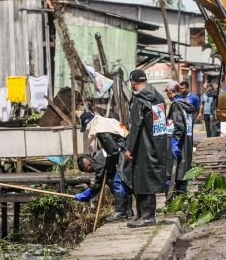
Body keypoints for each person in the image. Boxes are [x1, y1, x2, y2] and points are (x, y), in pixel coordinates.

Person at [123, 69, 168, 228]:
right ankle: (141, 215)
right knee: (145, 178)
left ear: (133, 82)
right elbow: (161, 126)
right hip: (156, 143)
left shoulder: (138, 100)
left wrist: (129, 149)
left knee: (142, 180)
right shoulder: (159, 97)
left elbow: (135, 125)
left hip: (142, 145)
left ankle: (147, 217)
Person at [78, 111, 132, 220]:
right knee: (126, 182)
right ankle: (127, 211)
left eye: (87, 128)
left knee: (117, 181)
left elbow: (114, 151)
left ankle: (120, 213)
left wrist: (108, 166)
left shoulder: (100, 130)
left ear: (89, 123)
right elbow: (126, 132)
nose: (88, 131)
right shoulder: (109, 121)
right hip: (129, 148)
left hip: (123, 154)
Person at [164, 81, 195, 194]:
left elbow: (179, 126)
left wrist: (174, 142)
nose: (167, 95)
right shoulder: (185, 105)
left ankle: (174, 201)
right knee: (182, 175)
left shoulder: (176, 105)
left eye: (167, 92)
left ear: (170, 92)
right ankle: (181, 202)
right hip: (187, 145)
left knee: (175, 175)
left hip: (179, 146)